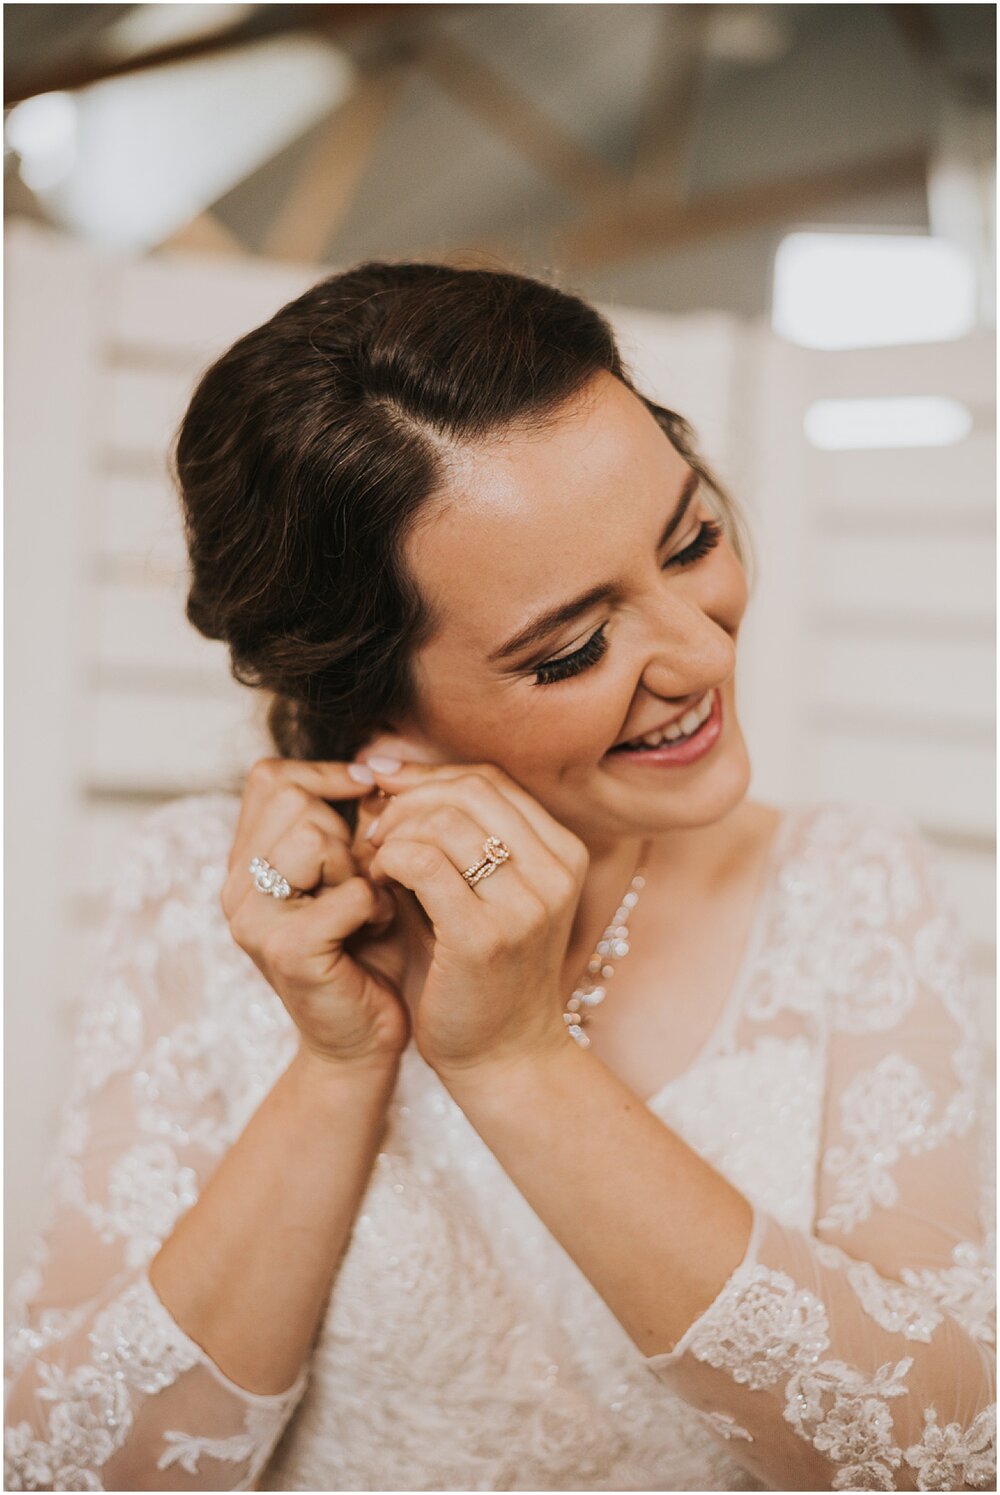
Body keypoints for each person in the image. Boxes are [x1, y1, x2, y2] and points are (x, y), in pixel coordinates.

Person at [4, 261, 995, 1493]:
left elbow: (944, 1456)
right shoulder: (198, 905)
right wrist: (336, 1062)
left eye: (690, 539)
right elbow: (68, 1473)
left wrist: (517, 1059)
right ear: (377, 700)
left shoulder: (848, 886)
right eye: (574, 646)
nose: (701, 649)